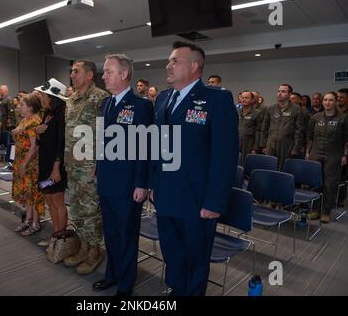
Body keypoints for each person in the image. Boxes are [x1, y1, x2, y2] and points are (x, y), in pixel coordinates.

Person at [150, 41, 238, 296]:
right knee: (172, 252)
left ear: (195, 66)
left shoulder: (217, 99)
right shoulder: (164, 99)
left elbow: (225, 156)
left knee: (196, 257)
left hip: (197, 199)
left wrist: (214, 201)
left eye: (175, 61)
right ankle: (177, 289)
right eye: (169, 61)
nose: (168, 65)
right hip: (165, 194)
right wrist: (154, 183)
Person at [93, 54, 153, 296]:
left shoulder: (141, 106)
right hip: (107, 181)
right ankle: (112, 275)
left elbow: (146, 148)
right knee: (111, 233)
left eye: (108, 71)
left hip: (129, 185)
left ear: (124, 74)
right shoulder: (105, 104)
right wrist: (97, 167)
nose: (104, 76)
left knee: (127, 235)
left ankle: (126, 283)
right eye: (104, 72)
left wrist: (142, 183)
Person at [63, 59, 109, 275]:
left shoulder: (100, 98)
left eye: (76, 71)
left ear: (90, 74)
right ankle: (83, 246)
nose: (72, 74)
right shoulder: (71, 100)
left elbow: (105, 134)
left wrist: (99, 164)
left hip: (89, 166)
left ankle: (95, 251)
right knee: (76, 208)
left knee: (91, 211)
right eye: (71, 71)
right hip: (72, 165)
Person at [34, 79, 70, 251]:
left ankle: (60, 238)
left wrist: (56, 168)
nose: (40, 98)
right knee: (49, 198)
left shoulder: (62, 114)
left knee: (57, 200)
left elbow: (61, 144)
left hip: (56, 166)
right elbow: (44, 140)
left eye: (43, 95)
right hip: (45, 163)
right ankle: (55, 235)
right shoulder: (46, 113)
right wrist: (38, 132)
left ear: (52, 97)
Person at [306, 92, 348, 223]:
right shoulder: (315, 117)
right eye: (325, 100)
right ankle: (315, 210)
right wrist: (308, 153)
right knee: (315, 183)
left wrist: (345, 154)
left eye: (331, 100)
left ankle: (326, 211)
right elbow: (309, 137)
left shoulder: (343, 118)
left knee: (330, 184)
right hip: (316, 153)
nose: (327, 102)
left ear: (335, 102)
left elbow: (347, 139)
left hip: (334, 155)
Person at [12, 94, 45, 235]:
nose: (20, 107)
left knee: (34, 193)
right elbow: (18, 139)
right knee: (27, 193)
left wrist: (24, 164)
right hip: (21, 160)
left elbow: (34, 146)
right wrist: (14, 133)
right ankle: (28, 220)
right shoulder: (24, 120)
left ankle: (36, 223)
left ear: (31, 107)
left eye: (22, 105)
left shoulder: (34, 121)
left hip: (31, 163)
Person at [260, 84, 304, 169]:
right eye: (279, 91)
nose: (280, 93)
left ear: (289, 94)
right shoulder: (271, 108)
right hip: (271, 144)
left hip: (287, 144)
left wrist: (296, 147)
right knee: (269, 167)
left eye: (283, 91)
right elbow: (264, 127)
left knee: (283, 169)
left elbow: (299, 130)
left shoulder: (296, 109)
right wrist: (263, 145)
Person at [336, 88, 348, 207]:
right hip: (331, 148)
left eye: (342, 97)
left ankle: (341, 198)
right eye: (338, 96)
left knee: (343, 175)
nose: (339, 99)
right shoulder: (332, 111)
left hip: (347, 149)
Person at [238, 91, 261, 165]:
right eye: (242, 98)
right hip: (236, 141)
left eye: (246, 98)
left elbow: (259, 131)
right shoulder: (236, 111)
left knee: (245, 163)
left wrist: (255, 147)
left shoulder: (257, 113)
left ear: (252, 100)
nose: (244, 99)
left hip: (249, 143)